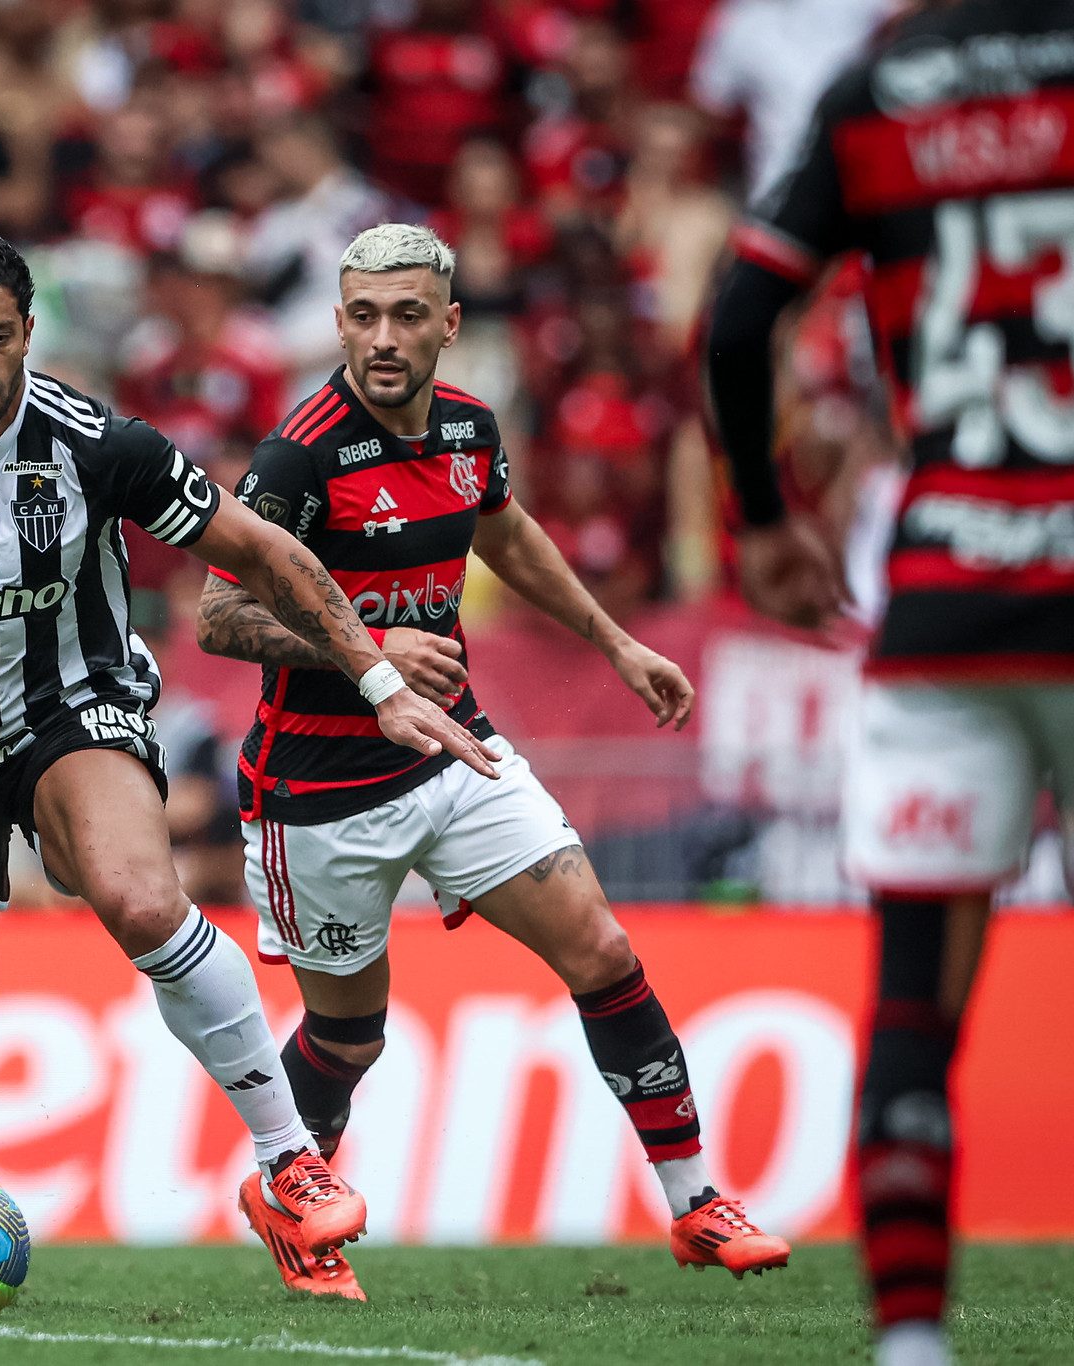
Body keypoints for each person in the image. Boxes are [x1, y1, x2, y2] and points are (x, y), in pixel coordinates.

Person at [0, 227, 490, 1257]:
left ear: (28, 331)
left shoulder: (94, 441)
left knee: (137, 893)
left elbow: (256, 545)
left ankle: (287, 1155)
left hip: (70, 705)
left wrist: (376, 676)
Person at [199, 224, 789, 1298]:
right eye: (363, 316)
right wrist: (366, 651)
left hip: (455, 757)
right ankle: (291, 1201)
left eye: (407, 316)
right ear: (337, 321)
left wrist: (613, 641)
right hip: (316, 792)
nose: (383, 338)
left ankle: (694, 1201)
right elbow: (216, 615)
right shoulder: (300, 452)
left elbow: (503, 533)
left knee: (602, 948)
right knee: (347, 1038)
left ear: (448, 324)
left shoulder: (470, 430)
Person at [701, 4, 1074, 1362]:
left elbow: (740, 311)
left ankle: (909, 1341)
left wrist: (762, 518)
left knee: (911, 994)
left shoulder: (875, 92)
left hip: (946, 598)